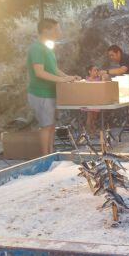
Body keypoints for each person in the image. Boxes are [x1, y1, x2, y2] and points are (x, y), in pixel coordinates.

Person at [27, 18, 80, 155]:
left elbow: (54, 69)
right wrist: (61, 80)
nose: (59, 32)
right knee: (46, 126)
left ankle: (50, 154)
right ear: (46, 30)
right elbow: (39, 72)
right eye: (56, 29)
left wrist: (68, 78)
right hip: (40, 93)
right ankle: (46, 157)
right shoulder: (36, 48)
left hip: (50, 92)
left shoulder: (48, 47)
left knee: (51, 126)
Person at [83, 65, 105, 136]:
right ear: (90, 72)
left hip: (96, 101)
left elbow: (103, 86)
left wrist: (103, 78)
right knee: (89, 116)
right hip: (89, 100)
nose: (96, 72)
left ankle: (94, 130)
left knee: (95, 117)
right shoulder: (87, 80)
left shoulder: (99, 79)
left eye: (97, 70)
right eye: (94, 70)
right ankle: (89, 132)